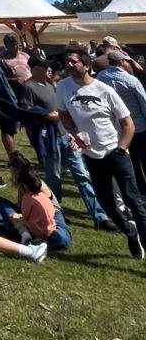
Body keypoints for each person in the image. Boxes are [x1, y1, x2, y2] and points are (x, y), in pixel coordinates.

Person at [56, 49, 146, 259]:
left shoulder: (105, 90)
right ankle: (130, 232)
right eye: (66, 61)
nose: (68, 64)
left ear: (86, 65)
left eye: (73, 61)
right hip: (92, 156)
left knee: (134, 201)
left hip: (116, 152)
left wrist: (122, 148)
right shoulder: (63, 87)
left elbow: (128, 124)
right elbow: (63, 114)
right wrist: (75, 133)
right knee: (107, 204)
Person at [19, 55, 113, 230]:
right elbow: (27, 113)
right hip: (49, 140)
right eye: (44, 67)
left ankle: (99, 217)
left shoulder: (50, 85)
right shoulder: (28, 88)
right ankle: (56, 214)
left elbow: (63, 111)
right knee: (54, 178)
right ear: (34, 69)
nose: (49, 70)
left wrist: (72, 133)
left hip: (66, 136)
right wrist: (47, 116)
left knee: (82, 175)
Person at [0, 153, 72, 250]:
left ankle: (12, 229)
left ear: (15, 168)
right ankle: (9, 227)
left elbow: (45, 207)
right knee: (1, 203)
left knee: (61, 240)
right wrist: (16, 214)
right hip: (31, 213)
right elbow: (20, 205)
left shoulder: (36, 183)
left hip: (53, 214)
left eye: (9, 165)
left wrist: (20, 217)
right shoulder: (22, 184)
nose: (8, 168)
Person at [96, 50, 146, 194]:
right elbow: (143, 103)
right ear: (120, 62)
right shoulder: (131, 80)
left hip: (118, 126)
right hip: (138, 125)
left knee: (133, 160)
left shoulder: (100, 78)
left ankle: (140, 187)